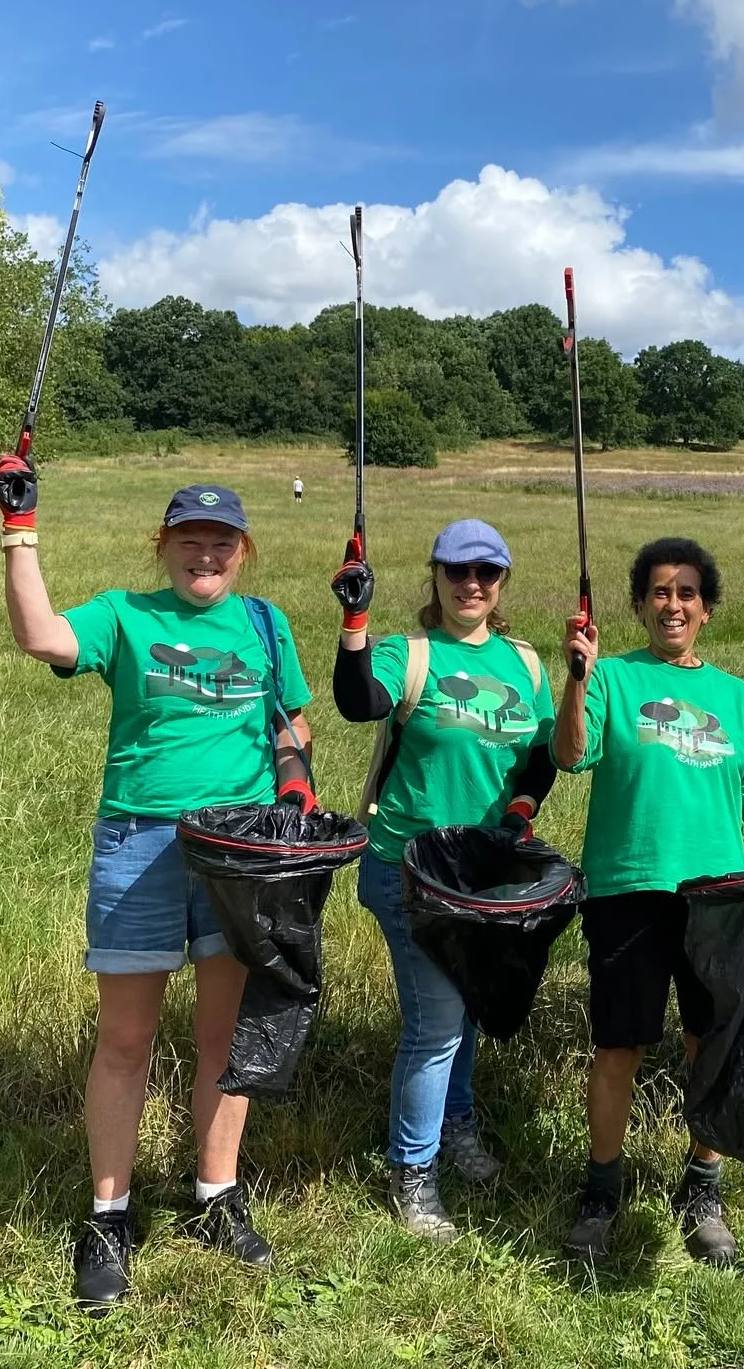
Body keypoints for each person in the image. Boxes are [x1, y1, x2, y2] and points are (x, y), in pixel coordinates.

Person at [0, 468, 310, 1310]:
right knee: (125, 1041)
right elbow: (42, 637)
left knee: (222, 1040)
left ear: (242, 553)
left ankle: (215, 1198)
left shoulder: (268, 626)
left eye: (221, 542)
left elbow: (290, 725)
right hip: (139, 843)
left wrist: (294, 786)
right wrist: (19, 531)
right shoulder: (125, 616)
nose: (205, 554)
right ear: (162, 547)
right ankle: (107, 1216)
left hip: (237, 854)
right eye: (189, 539)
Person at [552, 537, 744, 1267]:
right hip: (628, 887)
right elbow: (572, 756)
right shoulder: (612, 679)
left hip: (716, 897)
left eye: (687, 593)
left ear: (707, 609)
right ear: (638, 604)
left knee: (712, 1046)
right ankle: (602, 1190)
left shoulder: (736, 697)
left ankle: (703, 1186)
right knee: (618, 1047)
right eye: (660, 592)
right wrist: (577, 678)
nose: (673, 604)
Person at [329, 518, 557, 1241]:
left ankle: (455, 1126)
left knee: (465, 1009)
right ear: (435, 576)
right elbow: (357, 700)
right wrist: (355, 621)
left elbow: (545, 751)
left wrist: (522, 809)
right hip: (408, 868)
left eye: (487, 574)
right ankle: (413, 1172)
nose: (472, 585)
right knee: (435, 1026)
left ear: (502, 583)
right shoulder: (411, 654)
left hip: (482, 877)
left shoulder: (524, 664)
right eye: (458, 571)